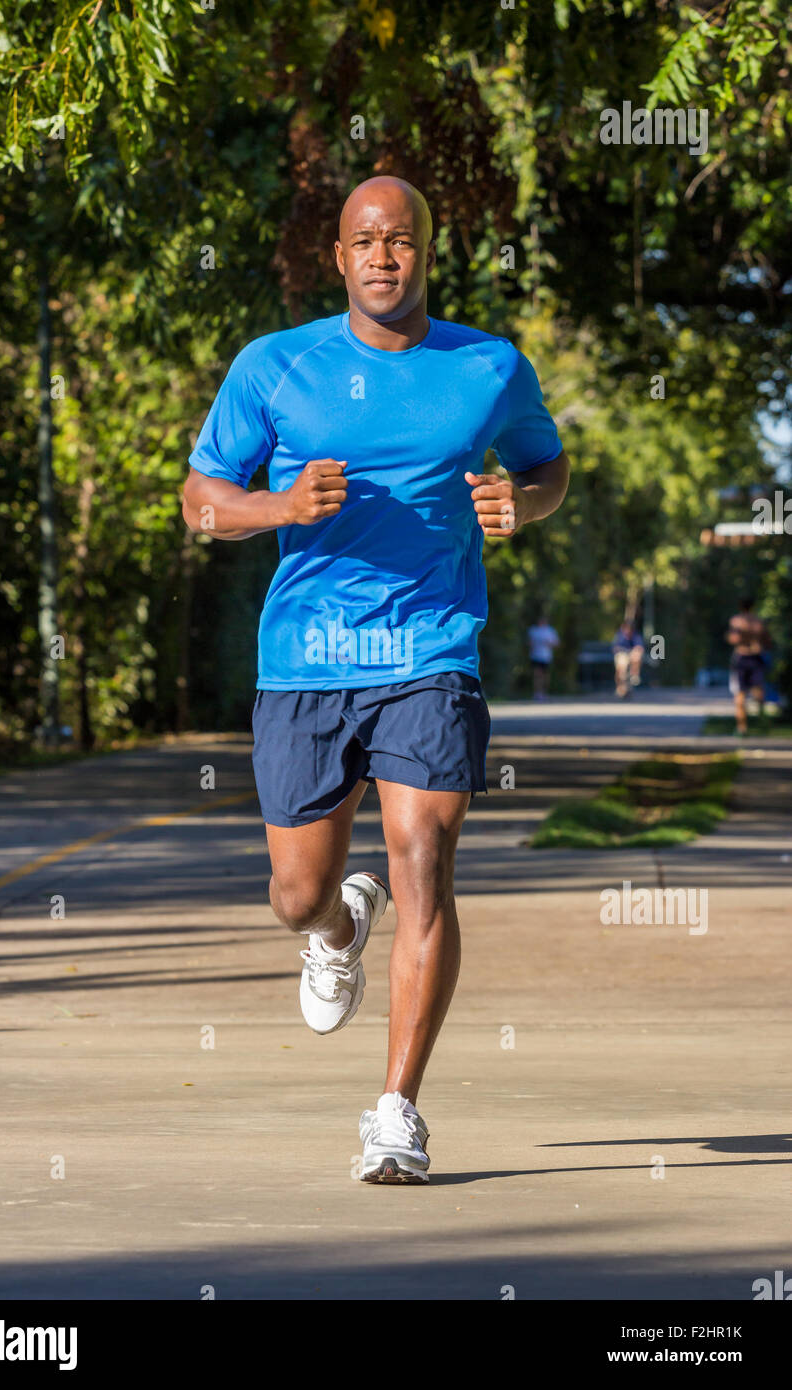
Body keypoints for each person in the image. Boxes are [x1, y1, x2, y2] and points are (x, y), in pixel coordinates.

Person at [182, 176, 569, 1183]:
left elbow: (545, 463)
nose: (383, 256)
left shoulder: (486, 367)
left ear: (427, 248)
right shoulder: (276, 367)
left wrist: (520, 506)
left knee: (422, 859)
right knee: (294, 891)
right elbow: (200, 504)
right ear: (339, 256)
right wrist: (281, 508)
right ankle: (335, 928)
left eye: (400, 238)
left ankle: (396, 1111)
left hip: (430, 652)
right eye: (364, 240)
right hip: (305, 660)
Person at [726, 597, 769, 735]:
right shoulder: (758, 622)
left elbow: (734, 639)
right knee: (759, 691)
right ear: (753, 606)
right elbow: (767, 640)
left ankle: (742, 728)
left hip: (741, 657)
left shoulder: (736, 621)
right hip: (756, 657)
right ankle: (763, 722)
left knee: (740, 694)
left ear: (740, 607)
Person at [527, 613, 559, 699]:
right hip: (536, 656)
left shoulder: (550, 631)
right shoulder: (533, 630)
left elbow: (556, 643)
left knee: (545, 676)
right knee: (537, 674)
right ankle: (537, 693)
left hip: (546, 656)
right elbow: (529, 643)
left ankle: (544, 693)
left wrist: (549, 644)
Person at [612, 619, 644, 698]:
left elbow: (640, 647)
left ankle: (634, 675)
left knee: (636, 654)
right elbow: (615, 648)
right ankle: (621, 687)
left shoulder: (635, 635)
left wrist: (635, 651)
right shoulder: (619, 635)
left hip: (632, 657)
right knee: (622, 666)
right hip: (621, 656)